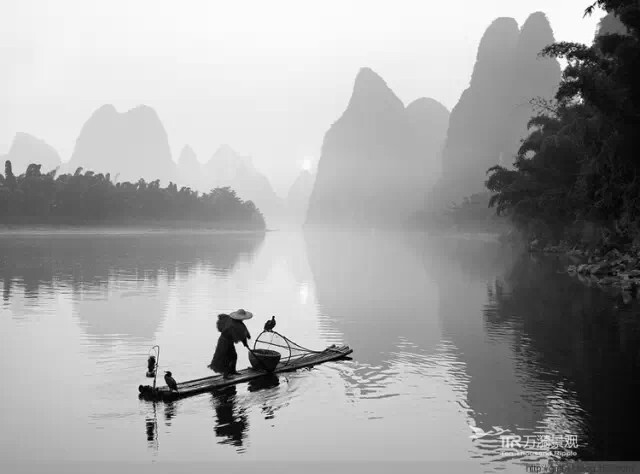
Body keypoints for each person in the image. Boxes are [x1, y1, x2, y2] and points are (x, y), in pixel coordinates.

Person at [208, 309, 252, 378]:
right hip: (225, 342)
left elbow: (242, 334)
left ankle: (232, 371)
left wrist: (245, 343)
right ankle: (225, 375)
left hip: (227, 341)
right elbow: (242, 335)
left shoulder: (235, 322)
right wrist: (245, 343)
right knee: (226, 358)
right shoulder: (235, 325)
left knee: (234, 356)